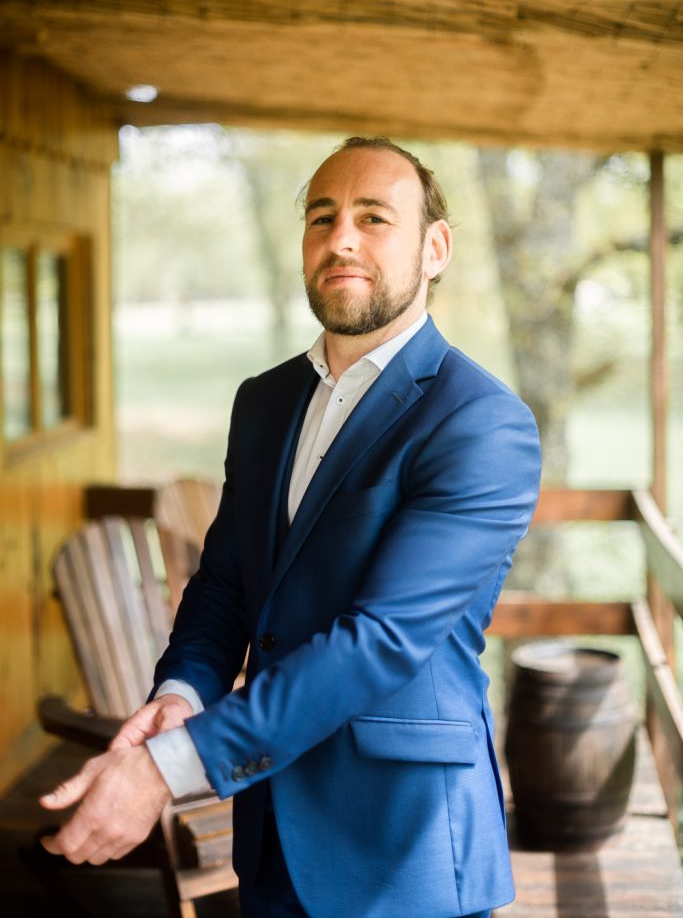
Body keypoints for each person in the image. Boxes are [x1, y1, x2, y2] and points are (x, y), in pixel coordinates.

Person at [41, 136, 541, 918]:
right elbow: (226, 582)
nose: (340, 238)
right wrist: (182, 691)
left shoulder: (479, 422)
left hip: (401, 849)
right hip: (271, 826)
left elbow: (380, 642)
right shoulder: (264, 401)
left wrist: (165, 767)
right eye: (321, 216)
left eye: (374, 218)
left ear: (434, 247)